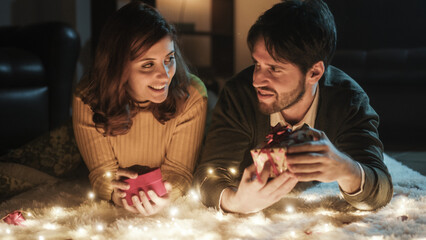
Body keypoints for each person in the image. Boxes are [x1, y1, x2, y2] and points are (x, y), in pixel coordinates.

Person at [193, 0, 393, 214]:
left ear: (314, 73)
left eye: (275, 69)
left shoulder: (348, 101)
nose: (257, 79)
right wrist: (236, 201)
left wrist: (346, 169)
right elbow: (208, 173)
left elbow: (380, 189)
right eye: (257, 64)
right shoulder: (239, 94)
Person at [73, 2, 207, 216]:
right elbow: (102, 174)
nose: (164, 75)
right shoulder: (88, 98)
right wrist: (115, 193)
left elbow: (179, 172)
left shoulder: (192, 94)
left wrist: (166, 197)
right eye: (147, 65)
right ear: (118, 67)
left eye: (169, 59)